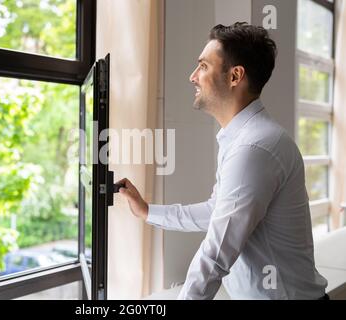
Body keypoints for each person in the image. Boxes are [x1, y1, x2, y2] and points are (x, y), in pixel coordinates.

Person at [117, 22, 328, 300]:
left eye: (203, 66)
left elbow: (216, 254)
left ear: (234, 76)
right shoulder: (245, 139)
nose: (193, 76)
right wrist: (148, 212)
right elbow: (218, 212)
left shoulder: (254, 148)